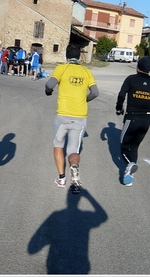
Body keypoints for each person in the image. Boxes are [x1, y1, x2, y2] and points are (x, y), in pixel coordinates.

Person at [45, 44, 99, 193]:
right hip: (80, 117)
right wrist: (84, 100)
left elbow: (50, 84)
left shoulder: (61, 68)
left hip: (62, 115)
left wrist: (48, 91)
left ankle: (61, 178)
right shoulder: (86, 71)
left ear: (67, 56)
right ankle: (74, 178)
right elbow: (95, 92)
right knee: (73, 149)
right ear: (79, 56)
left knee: (58, 145)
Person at [115, 56, 150, 186]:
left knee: (124, 146)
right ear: (149, 69)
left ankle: (131, 165)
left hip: (132, 117)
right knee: (135, 146)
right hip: (146, 119)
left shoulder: (131, 79)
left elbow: (121, 95)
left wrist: (119, 108)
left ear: (138, 66)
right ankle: (129, 177)